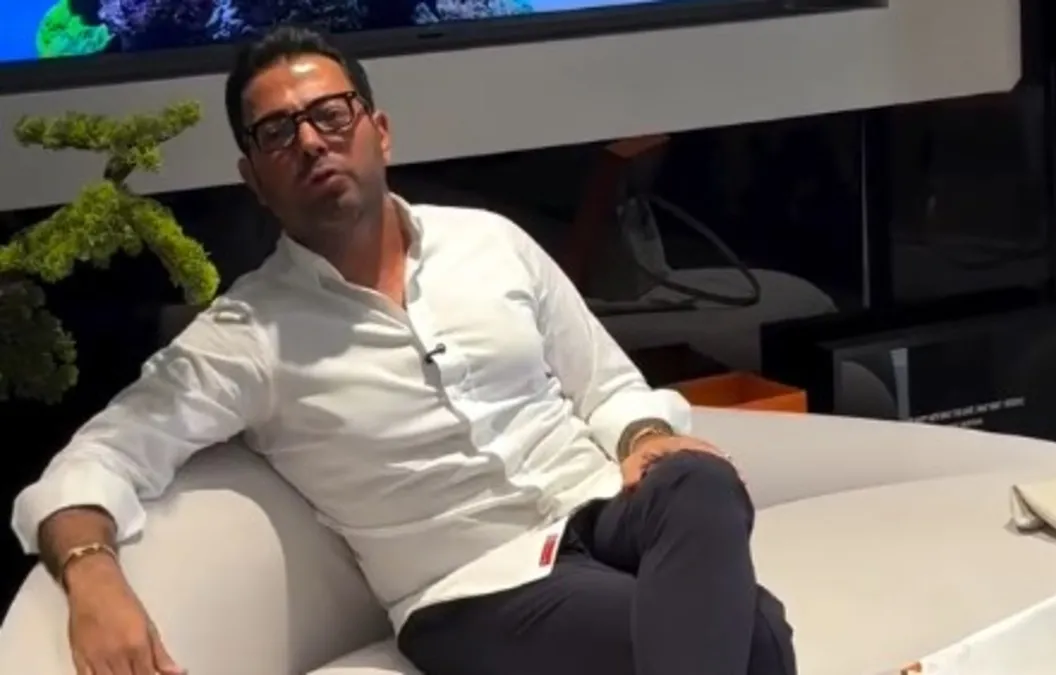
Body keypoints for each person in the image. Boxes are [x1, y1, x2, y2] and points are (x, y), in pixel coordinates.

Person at [10, 25, 796, 675]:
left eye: (331, 114)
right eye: (278, 132)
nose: (310, 141)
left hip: (600, 510)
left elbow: (609, 386)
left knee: (699, 478)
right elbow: (98, 458)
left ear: (378, 131)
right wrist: (90, 571)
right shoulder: (245, 336)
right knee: (753, 635)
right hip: (474, 589)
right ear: (254, 178)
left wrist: (645, 436)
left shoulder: (490, 242)